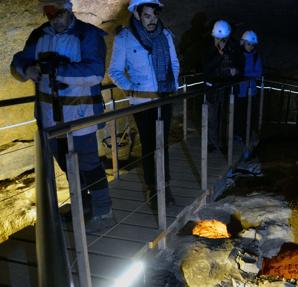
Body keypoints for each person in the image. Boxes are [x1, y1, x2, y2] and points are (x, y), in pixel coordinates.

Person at [10, 0, 113, 232]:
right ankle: (81, 207)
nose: (55, 20)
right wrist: (27, 69)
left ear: (69, 10)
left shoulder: (87, 35)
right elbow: (19, 61)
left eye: (59, 14)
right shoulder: (39, 35)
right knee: (66, 165)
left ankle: (103, 210)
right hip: (50, 116)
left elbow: (94, 72)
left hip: (80, 114)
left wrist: (53, 69)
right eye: (50, 15)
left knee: (88, 163)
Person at [109, 0, 179, 208]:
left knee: (162, 144)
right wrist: (132, 89)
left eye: (154, 15)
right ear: (137, 14)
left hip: (165, 97)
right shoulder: (124, 38)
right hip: (142, 101)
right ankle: (153, 190)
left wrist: (172, 84)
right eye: (147, 15)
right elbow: (115, 71)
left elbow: (174, 63)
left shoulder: (165, 35)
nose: (152, 20)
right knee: (149, 146)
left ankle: (165, 187)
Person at [203, 20, 244, 152]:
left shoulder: (233, 47)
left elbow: (240, 64)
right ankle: (212, 142)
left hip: (227, 88)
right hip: (213, 88)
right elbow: (206, 68)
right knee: (212, 117)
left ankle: (224, 142)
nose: (221, 41)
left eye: (224, 39)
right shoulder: (207, 48)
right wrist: (219, 56)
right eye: (219, 39)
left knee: (226, 116)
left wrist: (236, 71)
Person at [237, 30, 263, 142]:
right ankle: (239, 134)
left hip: (250, 91)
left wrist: (242, 74)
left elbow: (258, 73)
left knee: (249, 115)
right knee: (239, 114)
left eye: (252, 44)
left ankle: (246, 135)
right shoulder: (237, 55)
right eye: (249, 44)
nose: (251, 47)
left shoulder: (256, 56)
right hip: (238, 91)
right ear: (243, 42)